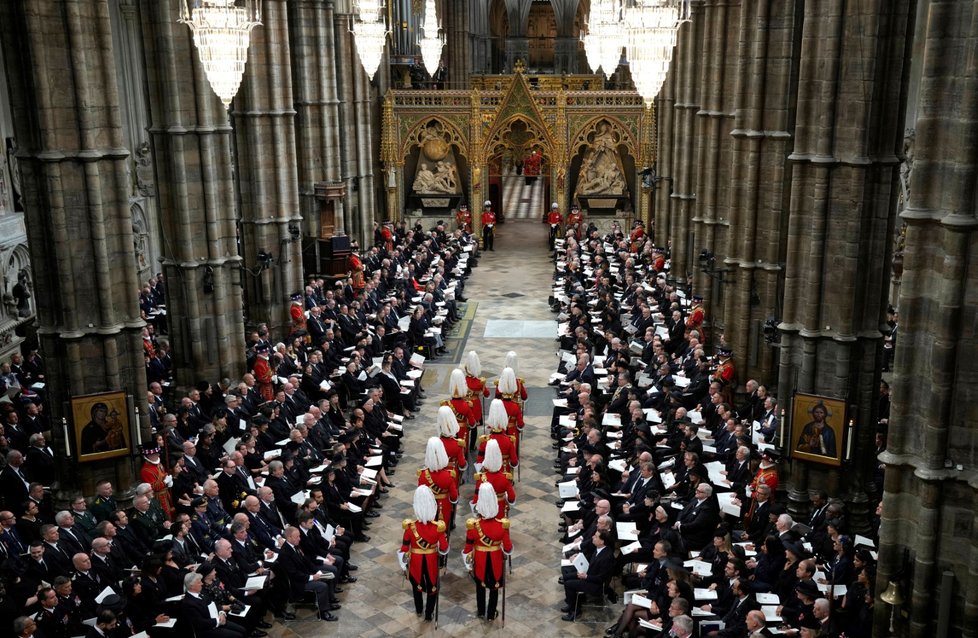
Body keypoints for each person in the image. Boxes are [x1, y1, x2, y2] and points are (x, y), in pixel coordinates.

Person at [463, 482, 512, 621]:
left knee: (480, 587)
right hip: (496, 560)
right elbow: (508, 549)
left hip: (480, 559)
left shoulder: (473, 527)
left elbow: (467, 549)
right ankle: (491, 614)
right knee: (494, 589)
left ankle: (481, 611)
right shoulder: (502, 525)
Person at [400, 485, 449, 621]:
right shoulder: (437, 527)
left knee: (417, 586)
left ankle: (419, 609)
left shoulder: (410, 528)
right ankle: (429, 614)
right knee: (432, 587)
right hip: (432, 559)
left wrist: (403, 564)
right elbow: (444, 548)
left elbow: (404, 549)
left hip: (415, 559)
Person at [561, 529, 615, 621]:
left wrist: (586, 576)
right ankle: (572, 603)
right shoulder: (599, 548)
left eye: (596, 536)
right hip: (589, 574)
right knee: (565, 577)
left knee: (569, 584)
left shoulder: (607, 557)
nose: (593, 537)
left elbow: (601, 578)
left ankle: (575, 611)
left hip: (596, 585)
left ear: (602, 541)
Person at [417, 437, 458, 528]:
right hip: (443, 507)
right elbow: (454, 496)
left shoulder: (423, 475)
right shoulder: (449, 475)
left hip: (428, 507)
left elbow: (420, 496)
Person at [471, 439, 515, 518]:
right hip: (501, 510)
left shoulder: (481, 479)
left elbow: (475, 501)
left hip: (485, 510)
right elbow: (512, 498)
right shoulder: (505, 478)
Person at [139, 445, 174, 519]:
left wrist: (168, 480)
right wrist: (165, 482)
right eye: (155, 454)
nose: (158, 455)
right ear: (149, 455)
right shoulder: (145, 471)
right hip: (156, 498)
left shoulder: (159, 464)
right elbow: (152, 487)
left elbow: (163, 474)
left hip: (165, 494)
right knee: (163, 516)